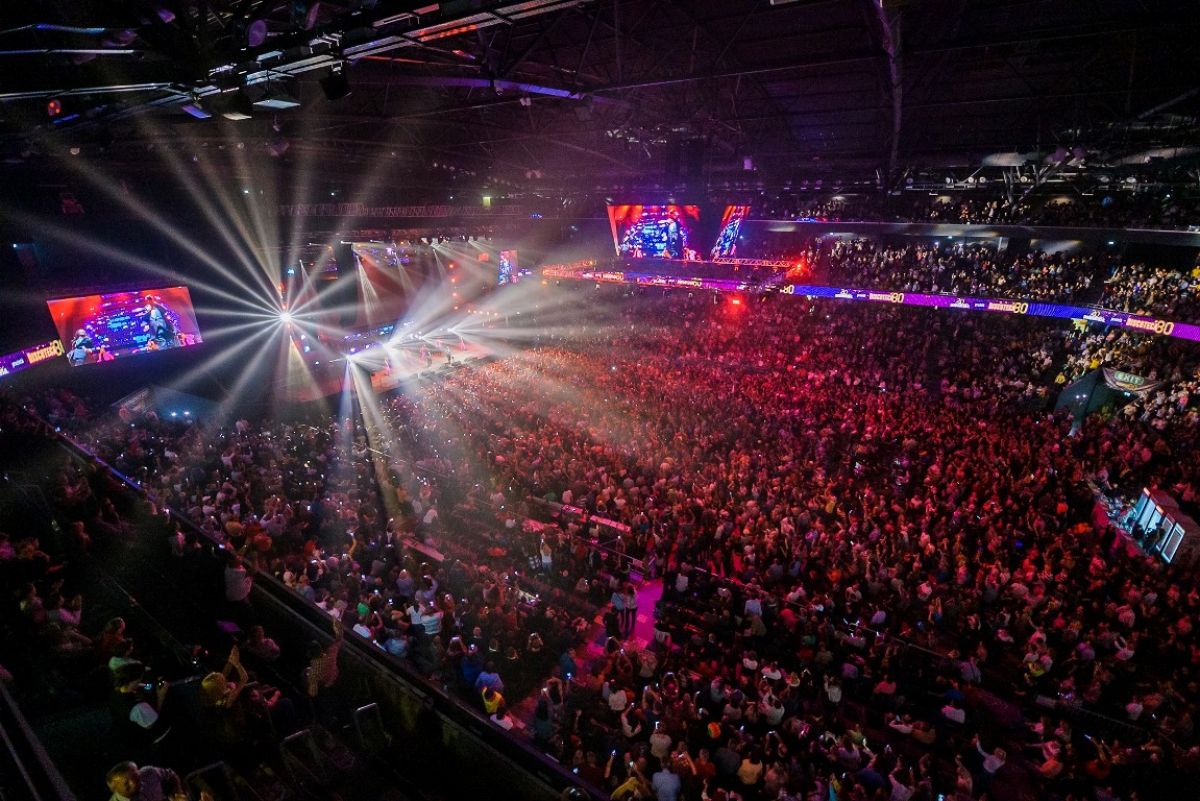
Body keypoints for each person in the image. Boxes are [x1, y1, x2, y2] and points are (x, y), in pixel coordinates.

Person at [105, 762, 187, 801]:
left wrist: (178, 792)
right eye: (126, 783)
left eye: (135, 776)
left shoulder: (148, 773)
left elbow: (170, 774)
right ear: (114, 789)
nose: (134, 783)